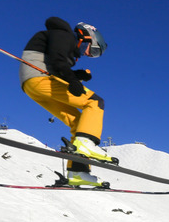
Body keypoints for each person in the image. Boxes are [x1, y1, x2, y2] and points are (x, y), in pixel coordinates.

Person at [19, 17, 110, 187]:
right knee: (95, 102)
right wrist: (72, 79)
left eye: (94, 55)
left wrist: (76, 75)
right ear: (86, 36)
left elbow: (56, 65)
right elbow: (57, 60)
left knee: (79, 123)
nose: (88, 54)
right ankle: (87, 144)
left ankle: (78, 172)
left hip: (33, 86)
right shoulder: (64, 35)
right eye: (93, 50)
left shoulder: (62, 41)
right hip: (40, 79)